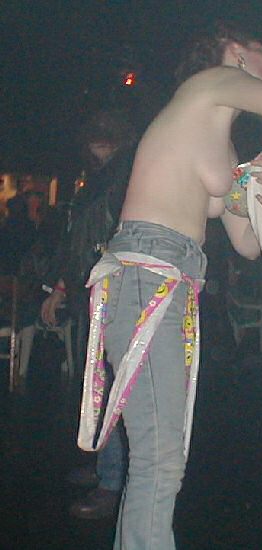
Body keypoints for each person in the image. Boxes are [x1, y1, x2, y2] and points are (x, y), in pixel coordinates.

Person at [77, 22, 262, 550]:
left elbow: (246, 243)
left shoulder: (219, 139)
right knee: (160, 458)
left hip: (172, 283)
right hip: (147, 272)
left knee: (162, 455)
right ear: (235, 53)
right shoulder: (206, 85)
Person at [40, 109, 137, 519]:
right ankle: (105, 469)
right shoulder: (100, 179)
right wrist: (62, 287)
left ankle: (112, 481)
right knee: (98, 384)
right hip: (95, 290)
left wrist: (64, 286)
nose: (97, 147)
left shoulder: (124, 175)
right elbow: (79, 240)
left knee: (111, 387)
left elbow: (104, 237)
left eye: (103, 139)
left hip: (115, 290)